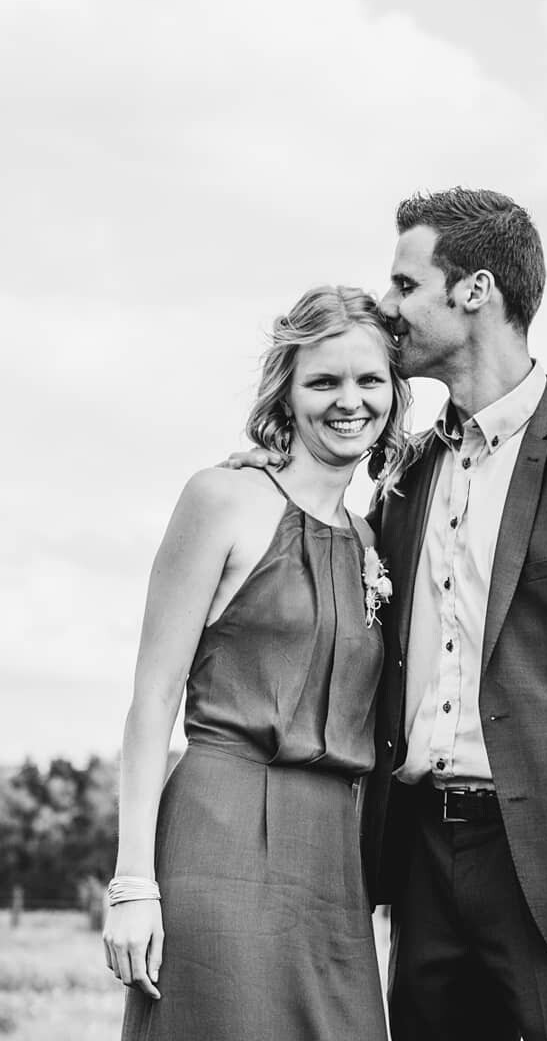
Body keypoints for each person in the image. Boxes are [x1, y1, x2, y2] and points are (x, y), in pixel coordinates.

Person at [232, 188, 547, 1041]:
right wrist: (268, 475)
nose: (388, 307)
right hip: (421, 865)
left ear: (475, 290)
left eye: (406, 284)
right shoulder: (407, 474)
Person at [104, 285, 416, 1041]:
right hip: (221, 831)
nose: (349, 401)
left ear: (394, 393)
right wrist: (133, 884)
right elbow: (153, 699)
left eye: (369, 380)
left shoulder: (374, 539)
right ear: (287, 392)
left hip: (333, 861)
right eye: (323, 381)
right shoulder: (223, 498)